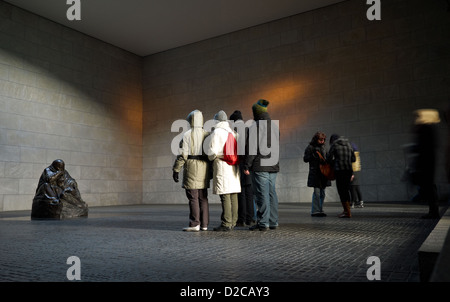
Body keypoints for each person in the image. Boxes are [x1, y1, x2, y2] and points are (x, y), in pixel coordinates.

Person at [244, 99, 280, 231]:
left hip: (260, 165)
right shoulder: (275, 127)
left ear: (256, 113)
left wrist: (247, 165)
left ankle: (263, 222)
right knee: (272, 193)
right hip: (273, 165)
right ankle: (273, 221)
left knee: (261, 194)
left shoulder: (256, 127)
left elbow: (251, 148)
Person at [172, 109, 211, 231]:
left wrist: (176, 169)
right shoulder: (207, 134)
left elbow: (182, 155)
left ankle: (195, 224)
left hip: (192, 168)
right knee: (203, 197)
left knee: (193, 197)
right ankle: (204, 224)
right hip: (204, 168)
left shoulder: (187, 135)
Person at [207, 110, 241, 231]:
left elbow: (212, 152)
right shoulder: (233, 132)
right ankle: (233, 221)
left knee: (225, 194)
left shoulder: (217, 132)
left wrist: (212, 157)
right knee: (233, 194)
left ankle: (226, 223)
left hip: (222, 165)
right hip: (234, 166)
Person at [409, 109, 441, 219]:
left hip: (425, 162)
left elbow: (423, 146)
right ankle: (433, 210)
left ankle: (433, 211)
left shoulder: (425, 128)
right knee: (429, 186)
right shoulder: (428, 128)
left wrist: (414, 148)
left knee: (428, 186)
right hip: (427, 161)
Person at [230, 110, 255, 227]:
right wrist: (249, 165)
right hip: (249, 165)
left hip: (240, 164)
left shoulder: (234, 131)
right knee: (249, 193)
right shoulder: (248, 129)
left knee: (241, 193)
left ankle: (241, 219)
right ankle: (250, 218)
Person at [327, 134, 355, 218]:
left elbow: (329, 159)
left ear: (332, 140)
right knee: (346, 190)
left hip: (339, 171)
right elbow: (354, 159)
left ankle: (347, 212)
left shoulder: (334, 145)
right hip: (348, 170)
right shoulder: (349, 145)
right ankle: (347, 211)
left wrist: (335, 162)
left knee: (341, 191)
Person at [303, 131, 331, 217]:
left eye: (323, 140)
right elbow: (305, 159)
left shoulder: (325, 147)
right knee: (317, 192)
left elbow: (328, 158)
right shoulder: (310, 147)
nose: (322, 141)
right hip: (315, 173)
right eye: (320, 139)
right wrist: (313, 156)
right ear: (316, 139)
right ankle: (315, 211)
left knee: (322, 193)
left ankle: (320, 209)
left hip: (323, 173)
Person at [350, 143, 364, 208]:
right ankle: (361, 202)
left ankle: (353, 202)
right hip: (357, 172)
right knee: (357, 188)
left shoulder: (352, 155)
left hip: (353, 172)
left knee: (352, 188)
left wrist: (352, 174)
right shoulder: (357, 155)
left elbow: (352, 165)